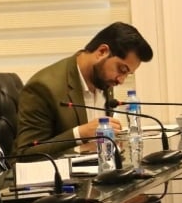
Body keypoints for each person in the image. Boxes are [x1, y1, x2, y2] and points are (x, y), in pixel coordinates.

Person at [15, 22, 153, 157]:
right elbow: (25, 155)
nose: (121, 80)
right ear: (102, 52)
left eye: (127, 74)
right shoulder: (43, 87)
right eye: (121, 70)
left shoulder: (104, 80)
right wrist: (79, 134)